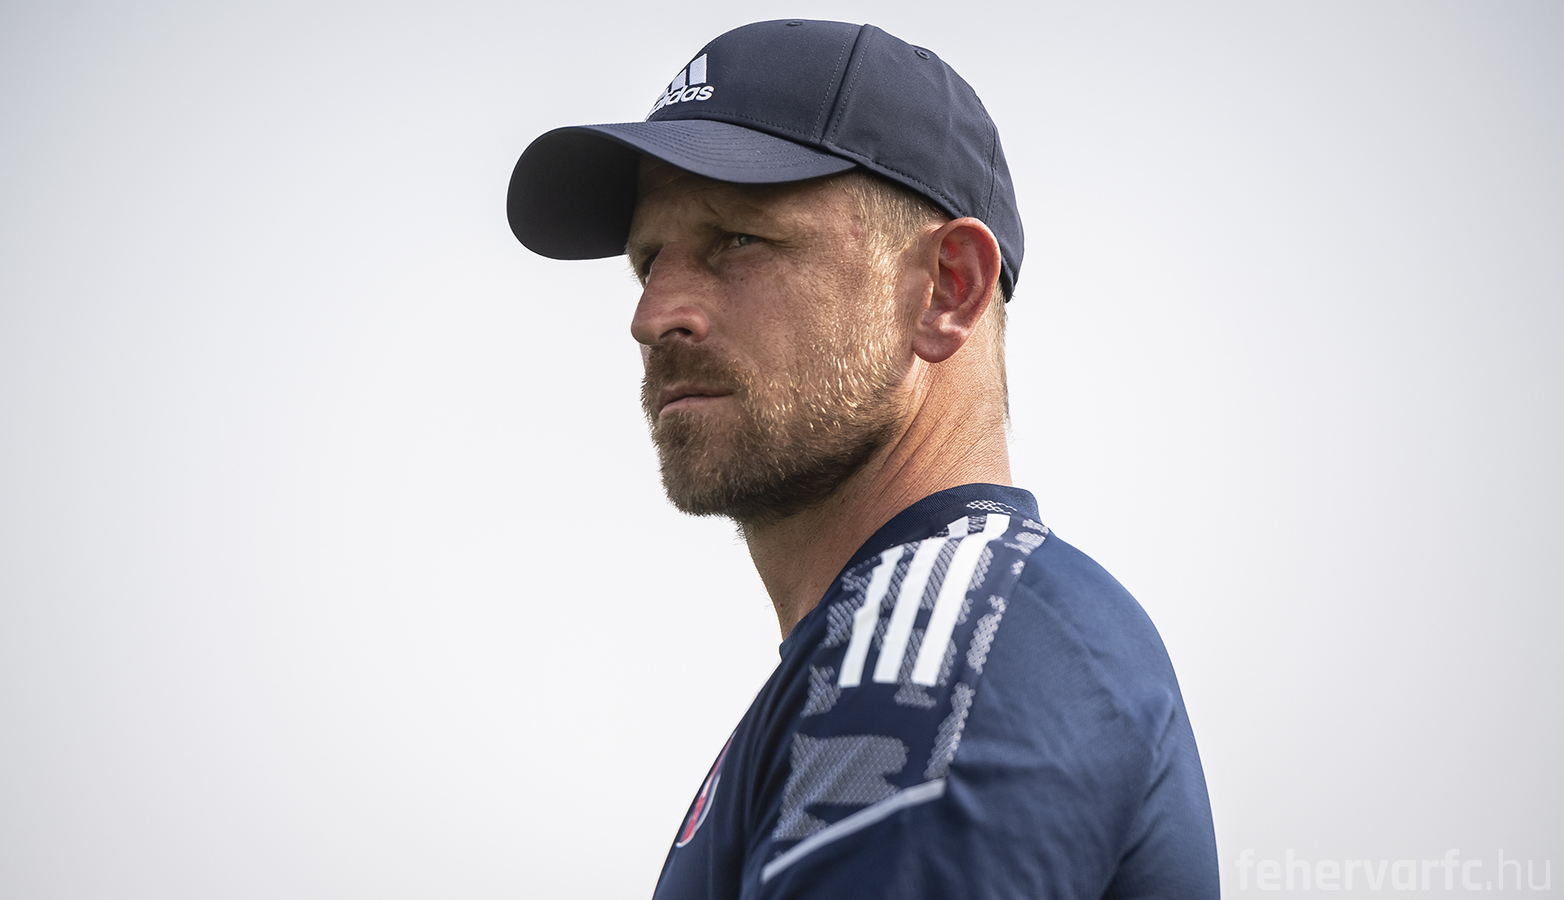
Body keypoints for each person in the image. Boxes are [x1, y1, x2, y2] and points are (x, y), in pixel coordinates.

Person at [507, 19, 1217, 899]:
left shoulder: (940, 637)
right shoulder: (911, 643)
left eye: (738, 239)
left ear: (947, 287)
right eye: (649, 259)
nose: (653, 316)